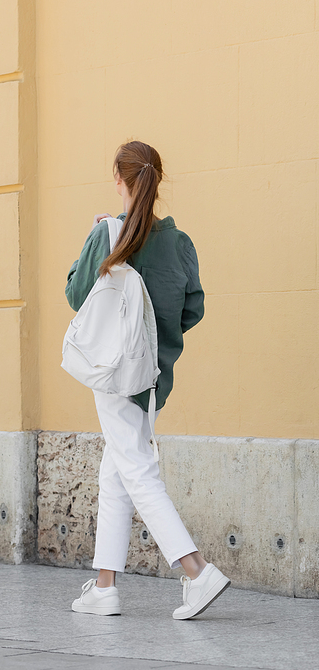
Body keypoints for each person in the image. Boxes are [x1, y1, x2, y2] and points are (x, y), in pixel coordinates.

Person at [65, 140, 230, 620]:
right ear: (156, 181)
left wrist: (93, 238)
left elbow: (76, 294)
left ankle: (198, 572)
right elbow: (192, 308)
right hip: (153, 376)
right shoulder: (179, 243)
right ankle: (104, 588)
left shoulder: (108, 235)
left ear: (120, 180)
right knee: (115, 471)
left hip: (115, 374)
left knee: (136, 470)